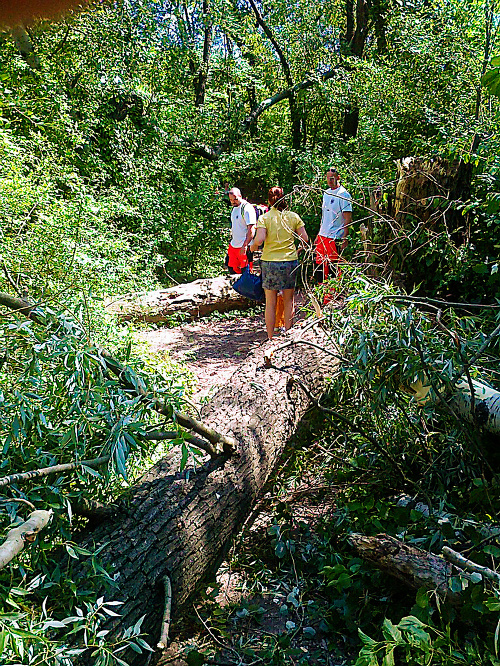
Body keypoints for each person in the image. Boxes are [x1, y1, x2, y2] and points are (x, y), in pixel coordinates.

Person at [250, 187, 309, 340]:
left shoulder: (265, 218)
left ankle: (270, 337)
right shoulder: (293, 216)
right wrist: (298, 250)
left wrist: (253, 246)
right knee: (289, 300)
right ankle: (289, 335)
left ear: (269, 200)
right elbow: (305, 238)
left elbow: (260, 240)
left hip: (270, 262)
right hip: (289, 260)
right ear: (284, 198)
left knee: (270, 302)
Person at [314, 167, 352, 282]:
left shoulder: (343, 194)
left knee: (332, 268)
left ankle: (331, 296)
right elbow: (324, 216)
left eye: (332, 178)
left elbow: (347, 218)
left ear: (338, 178)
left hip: (334, 237)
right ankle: (320, 294)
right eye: (328, 178)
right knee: (319, 267)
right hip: (323, 236)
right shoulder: (326, 193)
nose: (330, 181)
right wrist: (318, 234)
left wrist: (345, 238)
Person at [226, 187, 257, 274]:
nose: (233, 202)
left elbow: (251, 228)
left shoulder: (247, 208)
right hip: (233, 246)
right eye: (231, 200)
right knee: (232, 271)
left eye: (235, 199)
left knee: (246, 274)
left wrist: (245, 245)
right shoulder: (234, 208)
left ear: (240, 196)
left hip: (244, 247)